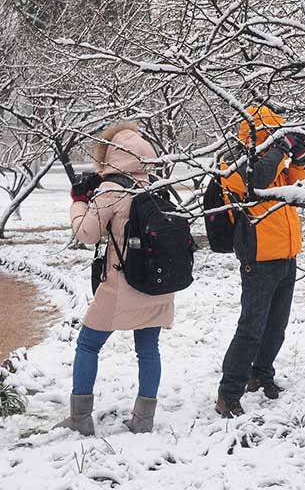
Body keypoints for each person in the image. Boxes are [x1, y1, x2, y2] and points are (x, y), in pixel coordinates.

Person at [59, 123, 173, 435]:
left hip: (121, 285)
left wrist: (79, 200)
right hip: (157, 282)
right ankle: (143, 421)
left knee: (87, 345)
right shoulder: (157, 186)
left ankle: (80, 418)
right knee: (148, 350)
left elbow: (86, 233)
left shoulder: (111, 190)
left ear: (111, 155)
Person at [216, 106, 305, 418]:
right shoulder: (234, 168)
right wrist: (282, 147)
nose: (276, 142)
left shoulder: (274, 164)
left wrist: (298, 153)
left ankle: (261, 375)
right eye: (272, 136)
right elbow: (260, 180)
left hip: (286, 256)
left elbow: (297, 179)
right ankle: (228, 393)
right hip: (259, 260)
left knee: (276, 327)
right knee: (251, 329)